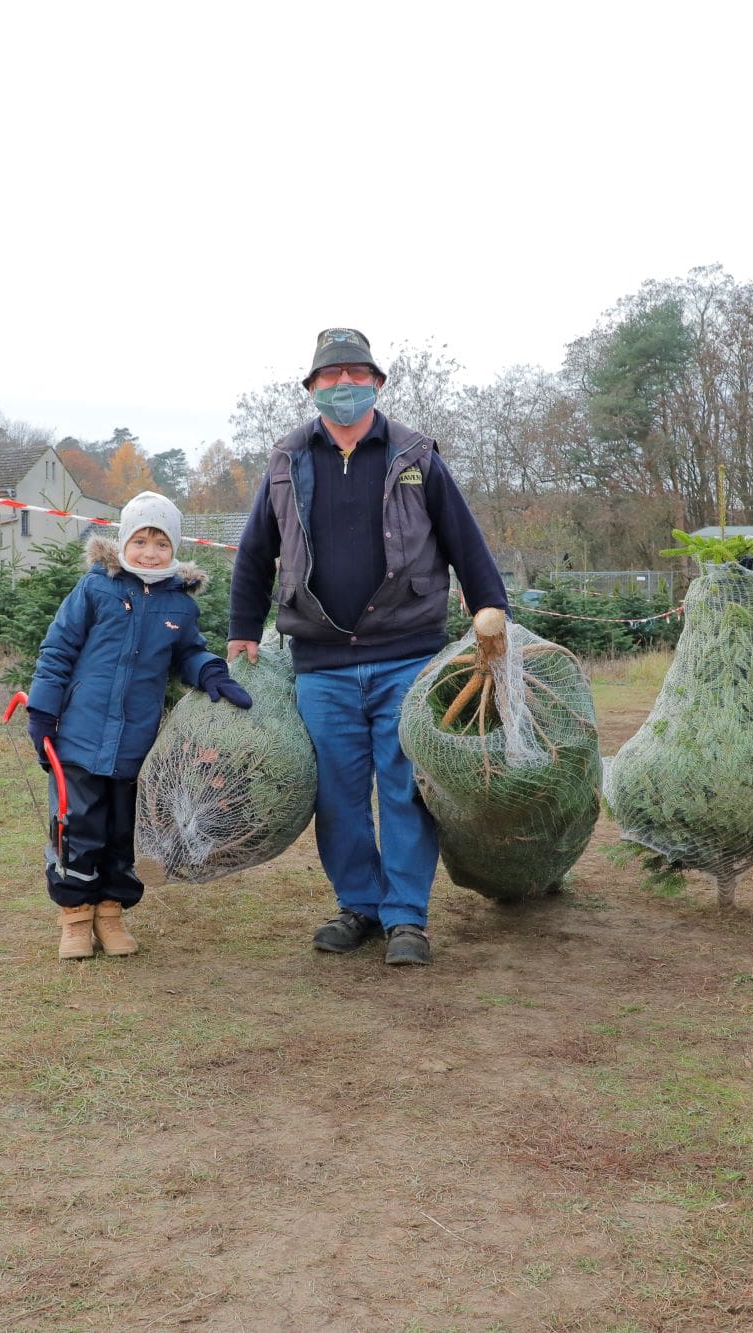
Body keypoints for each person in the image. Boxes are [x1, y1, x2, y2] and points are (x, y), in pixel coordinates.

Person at [228, 328, 509, 967]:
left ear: (378, 384)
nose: (344, 386)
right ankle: (358, 905)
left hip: (407, 653)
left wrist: (491, 604)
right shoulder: (286, 460)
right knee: (338, 793)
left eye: (356, 374)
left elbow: (463, 537)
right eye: (330, 377)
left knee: (405, 786)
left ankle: (406, 918)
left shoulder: (415, 455)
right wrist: (244, 626)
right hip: (321, 663)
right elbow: (254, 551)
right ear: (311, 389)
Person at [24, 492, 252, 960]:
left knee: (124, 832)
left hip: (138, 745)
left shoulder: (180, 605)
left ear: (175, 548)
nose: (151, 552)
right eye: (142, 541)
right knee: (77, 827)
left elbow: (188, 652)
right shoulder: (95, 589)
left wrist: (209, 670)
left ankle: (110, 915)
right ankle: (75, 918)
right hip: (80, 739)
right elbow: (57, 652)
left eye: (162, 543)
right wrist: (43, 713)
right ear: (125, 542)